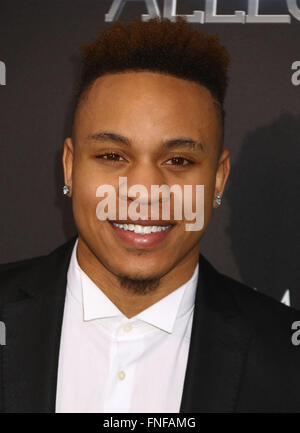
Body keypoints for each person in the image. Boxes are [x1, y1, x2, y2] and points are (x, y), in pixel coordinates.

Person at [0, 17, 299, 413]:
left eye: (178, 160)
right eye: (111, 156)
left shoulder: (287, 362)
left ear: (219, 180)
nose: (143, 192)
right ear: (70, 167)